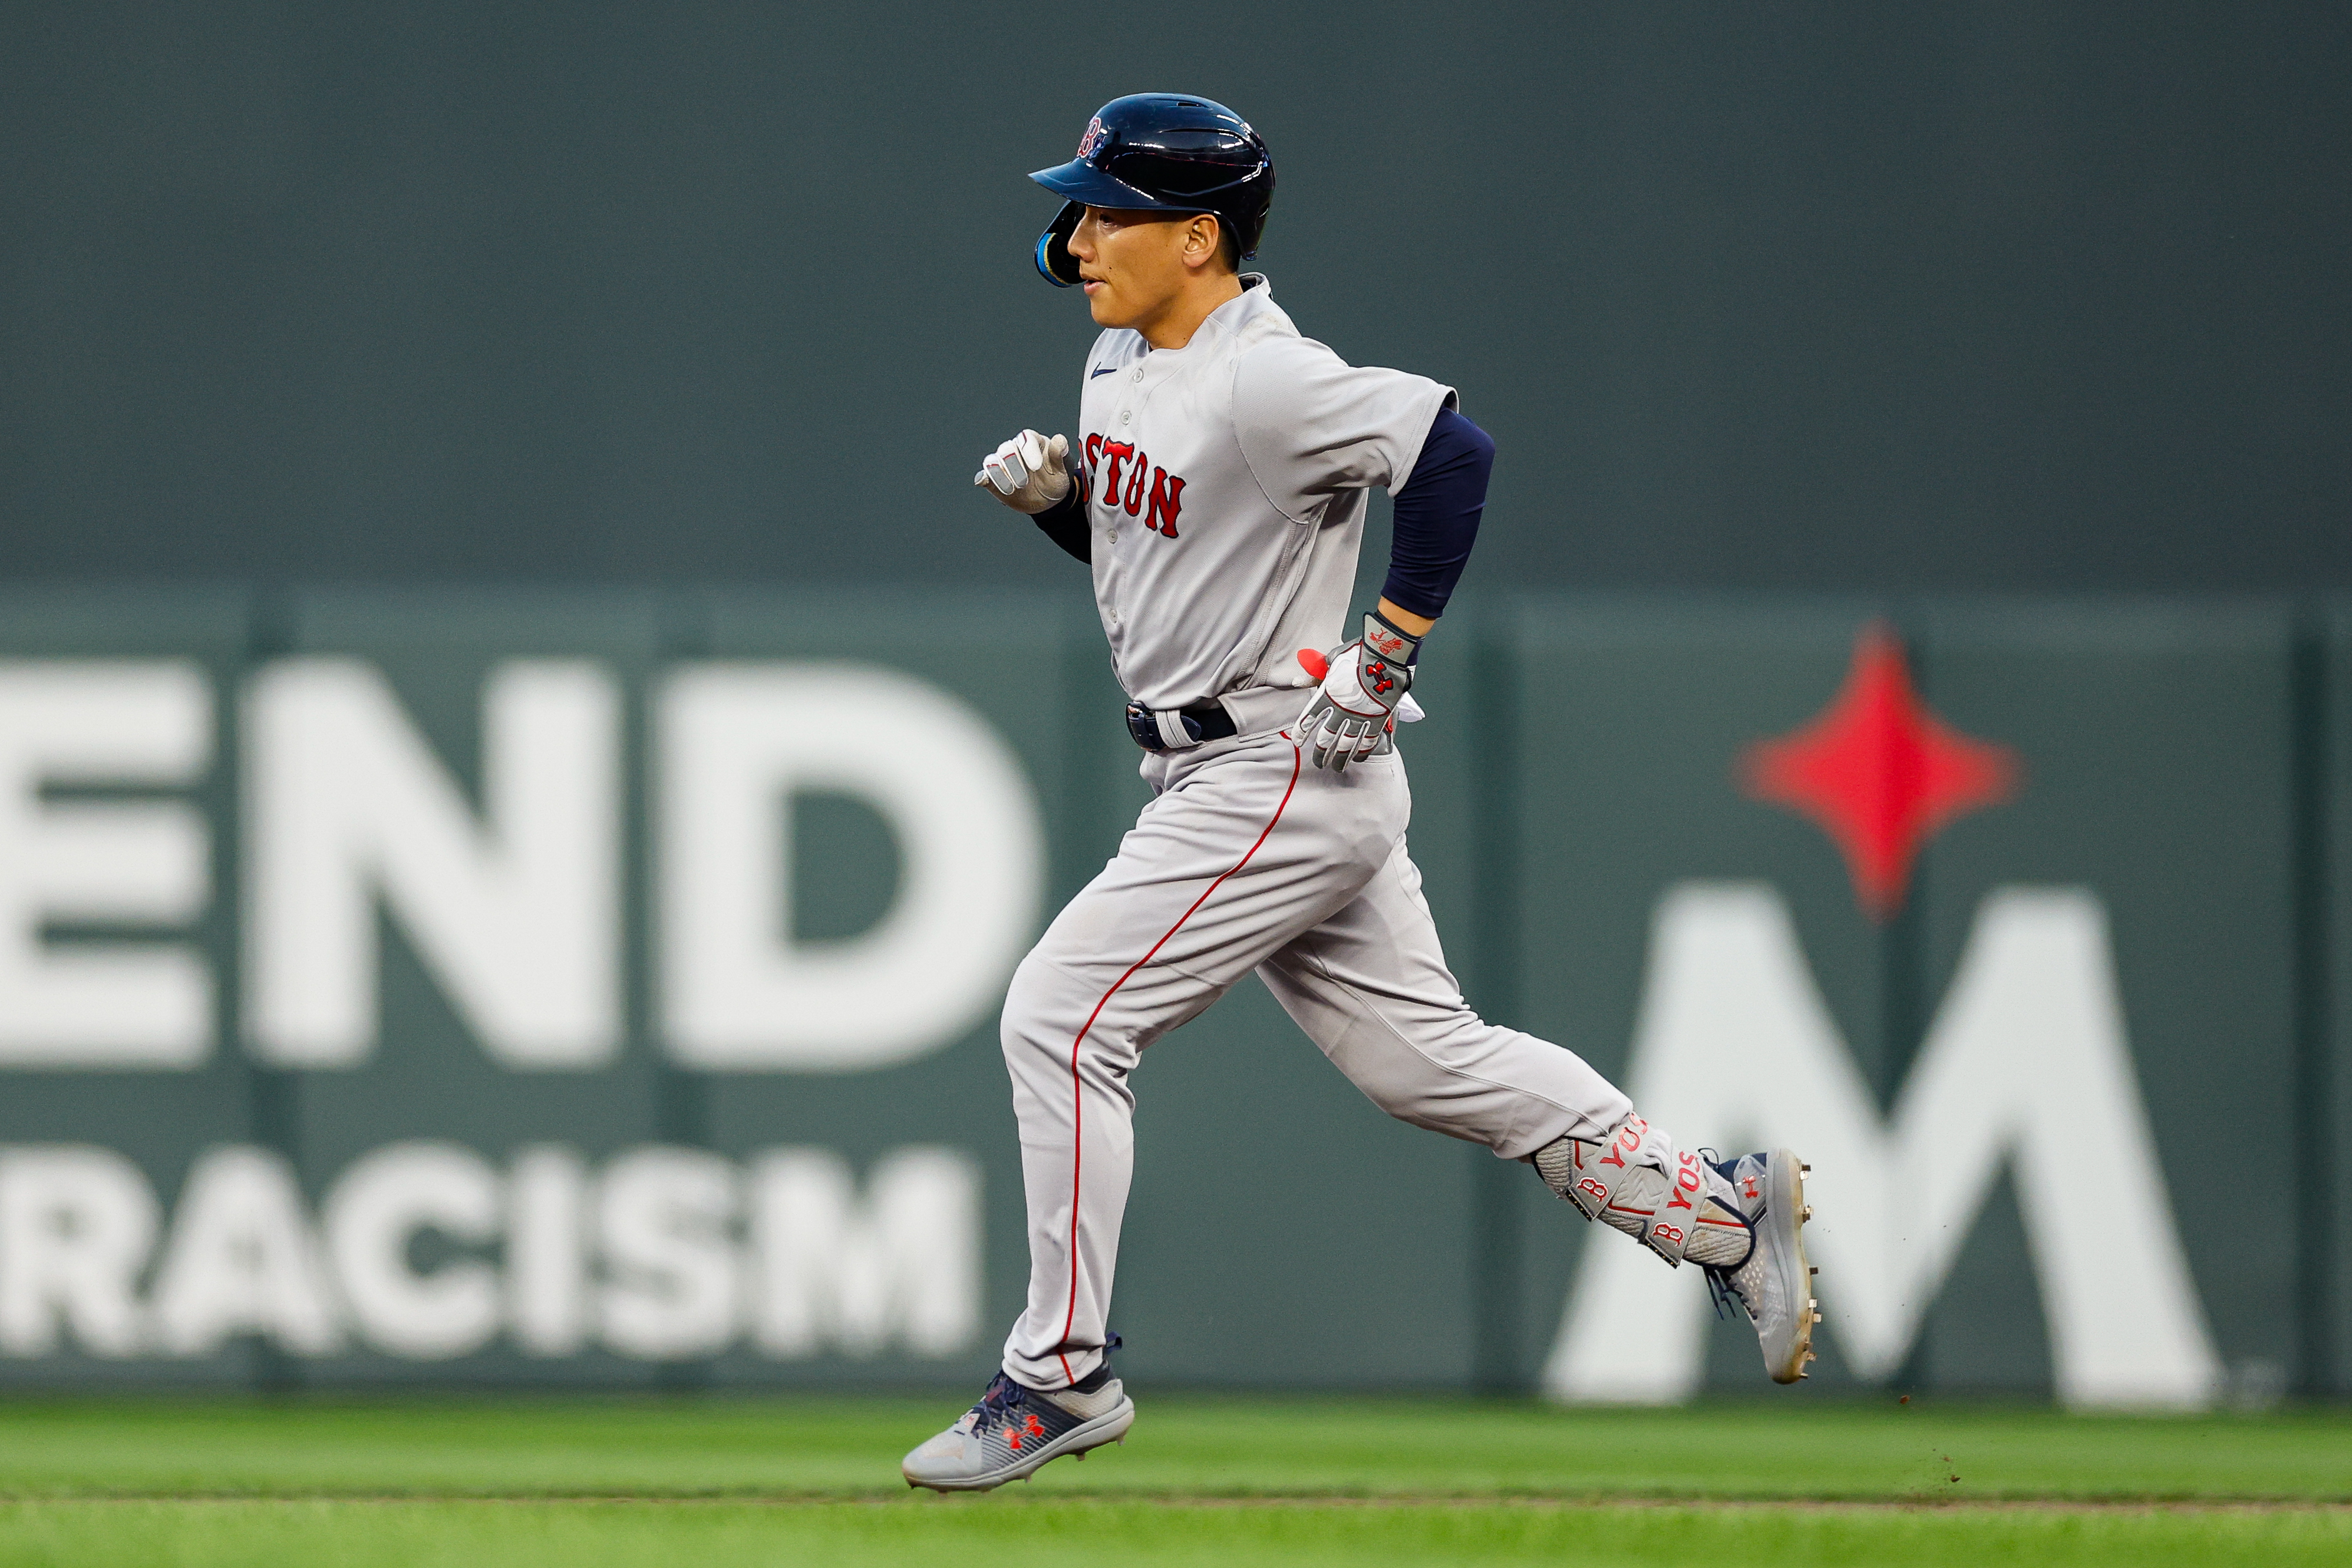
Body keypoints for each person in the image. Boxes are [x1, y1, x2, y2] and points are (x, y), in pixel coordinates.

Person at [902, 94, 1815, 1493]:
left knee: (1063, 1015)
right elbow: (1171, 575)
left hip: (1277, 761)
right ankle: (1720, 1212)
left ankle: (1058, 1371)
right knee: (1425, 1061)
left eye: (1106, 210)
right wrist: (1064, 514)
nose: (1076, 236)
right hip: (1220, 754)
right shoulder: (1125, 360)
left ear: (1197, 237)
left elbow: (1454, 455)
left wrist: (1383, 655)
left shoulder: (1266, 374)